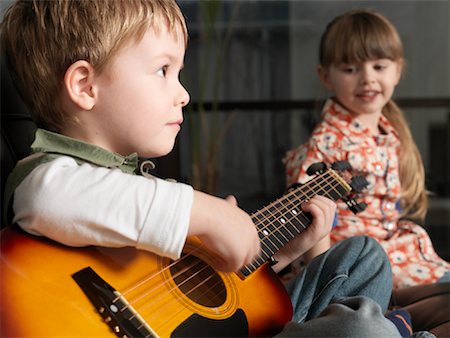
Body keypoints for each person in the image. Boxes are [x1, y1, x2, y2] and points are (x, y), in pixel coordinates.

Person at [1, 1, 417, 337]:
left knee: (365, 256)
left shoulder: (136, 185)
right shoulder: (48, 173)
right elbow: (48, 196)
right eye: (164, 70)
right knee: (359, 329)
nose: (182, 93)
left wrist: (279, 252)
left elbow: (194, 300)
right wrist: (208, 213)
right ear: (85, 87)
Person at [284, 9, 450, 289]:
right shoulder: (327, 142)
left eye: (379, 67)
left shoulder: (387, 130)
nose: (367, 79)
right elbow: (311, 221)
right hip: (354, 265)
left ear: (398, 70)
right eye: (350, 69)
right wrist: (328, 288)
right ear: (325, 76)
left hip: (396, 249)